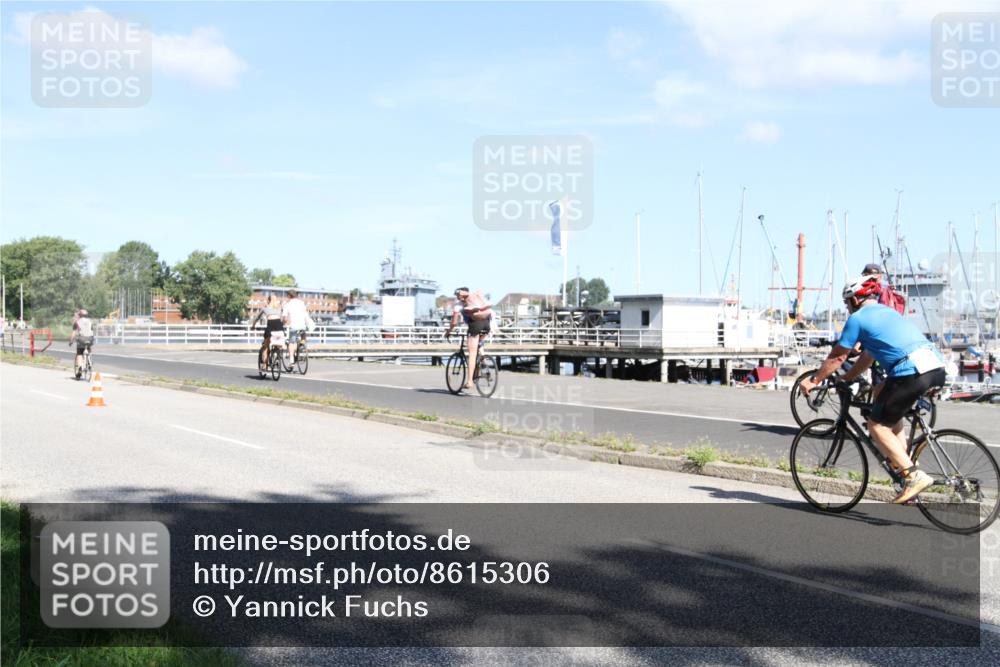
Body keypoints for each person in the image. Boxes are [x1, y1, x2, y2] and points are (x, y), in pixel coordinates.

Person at [799, 275, 946, 504]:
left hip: (910, 372)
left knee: (875, 425)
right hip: (934, 366)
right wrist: (846, 377)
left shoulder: (858, 319)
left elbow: (838, 356)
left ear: (855, 300)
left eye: (847, 303)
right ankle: (902, 464)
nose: (847, 308)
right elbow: (868, 356)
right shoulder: (887, 312)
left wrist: (814, 380)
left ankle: (913, 475)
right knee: (880, 392)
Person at [445, 287, 493, 390]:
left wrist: (448, 332)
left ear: (459, 294)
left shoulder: (458, 305)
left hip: (476, 325)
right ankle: (483, 361)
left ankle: (470, 381)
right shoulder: (474, 299)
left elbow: (454, 322)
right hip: (486, 324)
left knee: (472, 353)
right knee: (479, 343)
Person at [281, 289, 313, 364]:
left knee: (291, 342)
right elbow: (305, 313)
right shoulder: (301, 303)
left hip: (294, 326)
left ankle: (291, 360)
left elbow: (285, 318)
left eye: (287, 296)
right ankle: (302, 343)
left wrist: (283, 323)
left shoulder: (287, 304)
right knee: (303, 332)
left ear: (289, 295)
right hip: (303, 325)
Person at [250, 294, 284, 366]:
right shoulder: (280, 308)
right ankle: (278, 355)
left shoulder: (265, 308)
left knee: (265, 346)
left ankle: (264, 365)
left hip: (270, 325)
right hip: (279, 326)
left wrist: (253, 325)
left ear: (268, 301)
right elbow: (282, 319)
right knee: (278, 343)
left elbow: (257, 318)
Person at [69, 309, 94, 377]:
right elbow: (91, 331)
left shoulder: (77, 322)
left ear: (79, 315)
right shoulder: (90, 321)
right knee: (88, 347)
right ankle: (89, 359)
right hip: (90, 339)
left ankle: (80, 368)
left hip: (81, 339)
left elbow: (73, 333)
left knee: (79, 353)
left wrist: (71, 341)